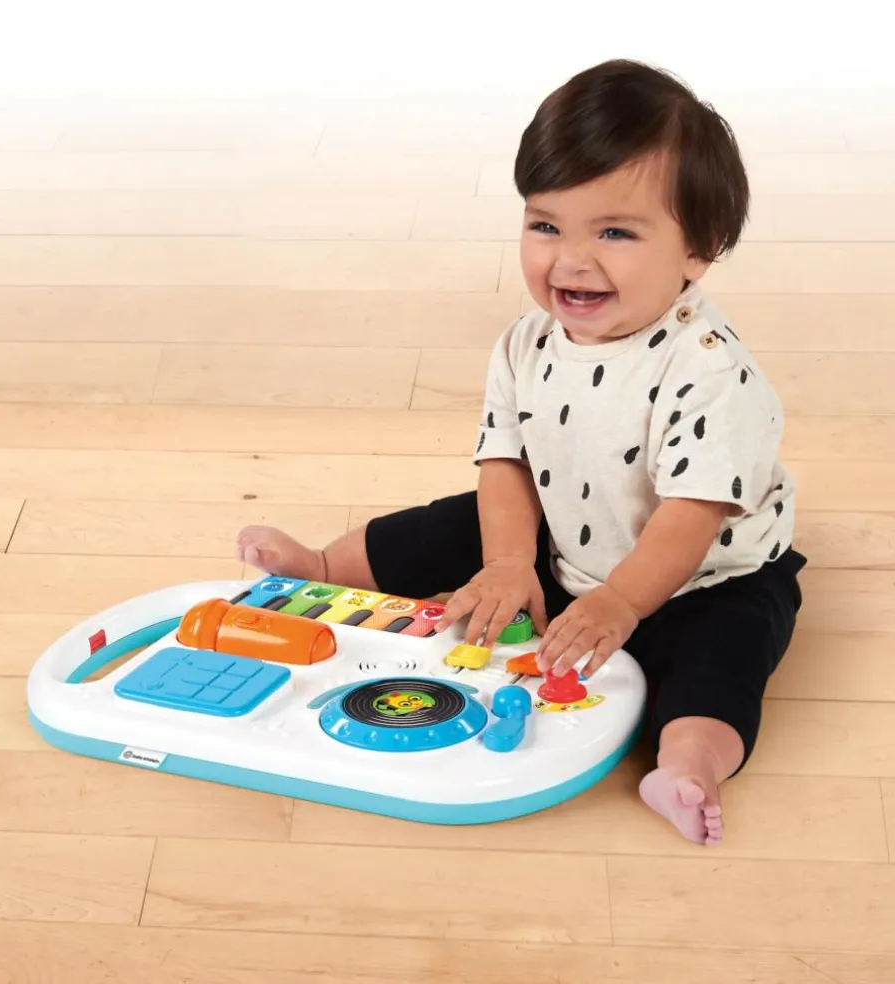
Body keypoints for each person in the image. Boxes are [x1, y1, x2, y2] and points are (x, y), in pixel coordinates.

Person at [235, 58, 806, 847]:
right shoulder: (526, 342)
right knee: (453, 522)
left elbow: (691, 515)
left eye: (614, 232)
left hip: (700, 576)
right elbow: (504, 460)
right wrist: (509, 562)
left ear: (698, 249)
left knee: (724, 655)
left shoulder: (709, 370)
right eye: (545, 226)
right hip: (565, 531)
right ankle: (326, 566)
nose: (570, 259)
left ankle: (688, 765)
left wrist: (619, 603)